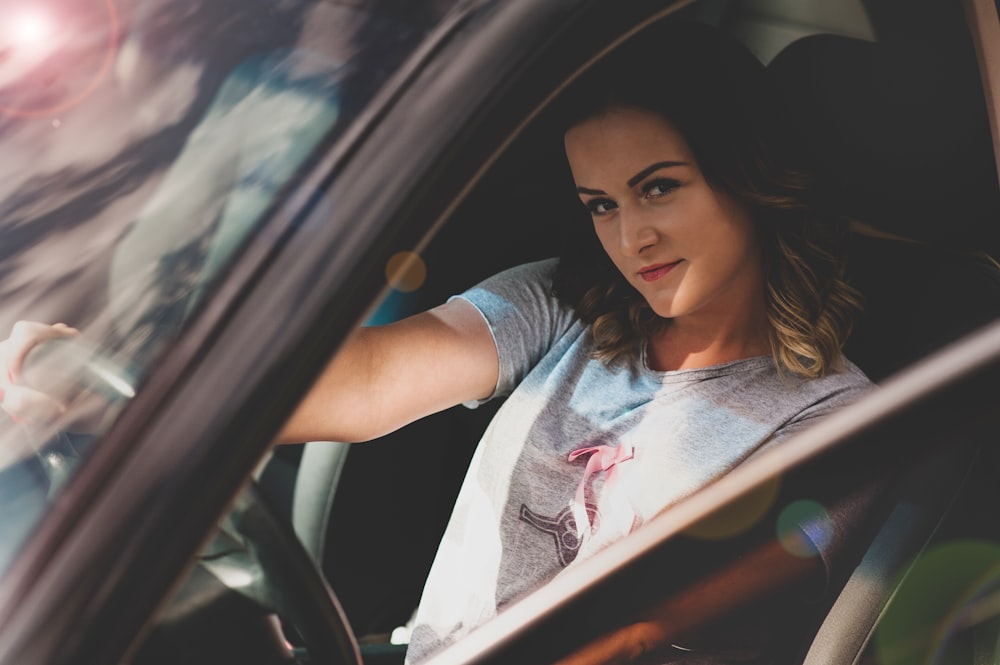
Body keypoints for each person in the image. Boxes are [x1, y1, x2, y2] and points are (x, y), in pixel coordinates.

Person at [1, 19, 873, 665]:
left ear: (748, 181)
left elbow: (629, 629)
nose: (629, 236)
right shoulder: (566, 301)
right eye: (600, 204)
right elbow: (368, 382)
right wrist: (110, 382)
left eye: (658, 189)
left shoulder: (840, 422)